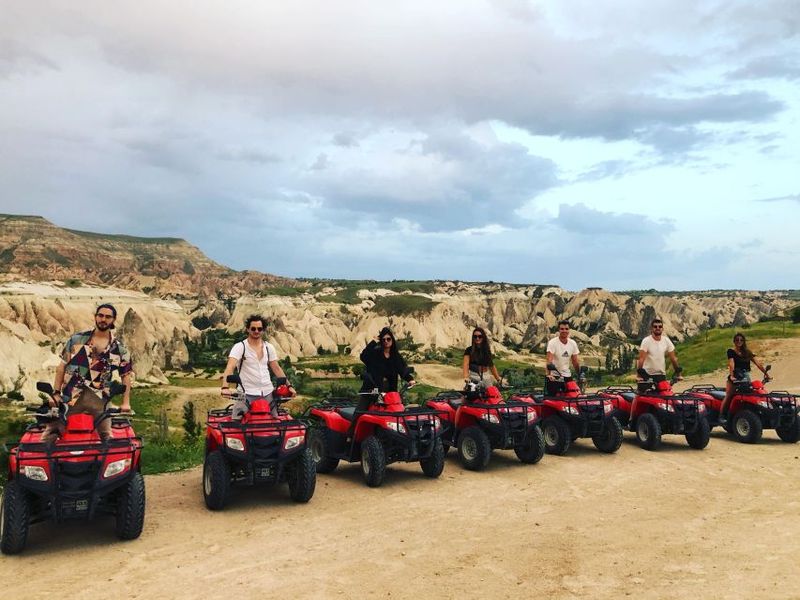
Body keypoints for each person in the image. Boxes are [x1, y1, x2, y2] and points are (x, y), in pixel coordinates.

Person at [41, 303, 133, 444]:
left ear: (113, 320)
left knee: (107, 436)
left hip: (99, 399)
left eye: (108, 317)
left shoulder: (119, 349)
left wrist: (125, 403)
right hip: (70, 395)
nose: (103, 319)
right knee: (51, 434)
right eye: (100, 315)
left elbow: (125, 376)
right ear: (95, 317)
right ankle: (43, 463)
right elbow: (61, 367)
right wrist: (56, 393)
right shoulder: (77, 339)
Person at [221, 314, 294, 419]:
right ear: (248, 329)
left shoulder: (269, 347)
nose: (256, 331)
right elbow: (230, 366)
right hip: (246, 395)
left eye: (259, 329)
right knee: (236, 425)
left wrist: (289, 386)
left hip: (268, 394)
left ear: (263, 330)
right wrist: (225, 387)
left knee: (274, 424)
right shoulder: (240, 347)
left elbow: (276, 368)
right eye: (253, 328)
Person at [720, 332, 768, 421]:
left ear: (744, 341)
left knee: (749, 393)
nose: (739, 341)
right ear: (734, 341)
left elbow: (758, 364)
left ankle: (747, 413)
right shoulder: (731, 351)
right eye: (737, 340)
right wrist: (731, 376)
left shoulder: (747, 352)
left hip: (745, 376)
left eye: (741, 340)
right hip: (735, 375)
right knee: (729, 395)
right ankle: (722, 415)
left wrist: (766, 373)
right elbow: (731, 364)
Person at [545, 320, 581, 395]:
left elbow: (575, 361)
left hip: (567, 375)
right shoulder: (553, 342)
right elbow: (549, 360)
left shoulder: (572, 343)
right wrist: (549, 374)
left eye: (566, 329)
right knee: (554, 400)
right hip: (555, 376)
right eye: (562, 329)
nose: (564, 331)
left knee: (574, 397)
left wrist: (580, 374)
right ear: (559, 330)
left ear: (569, 330)